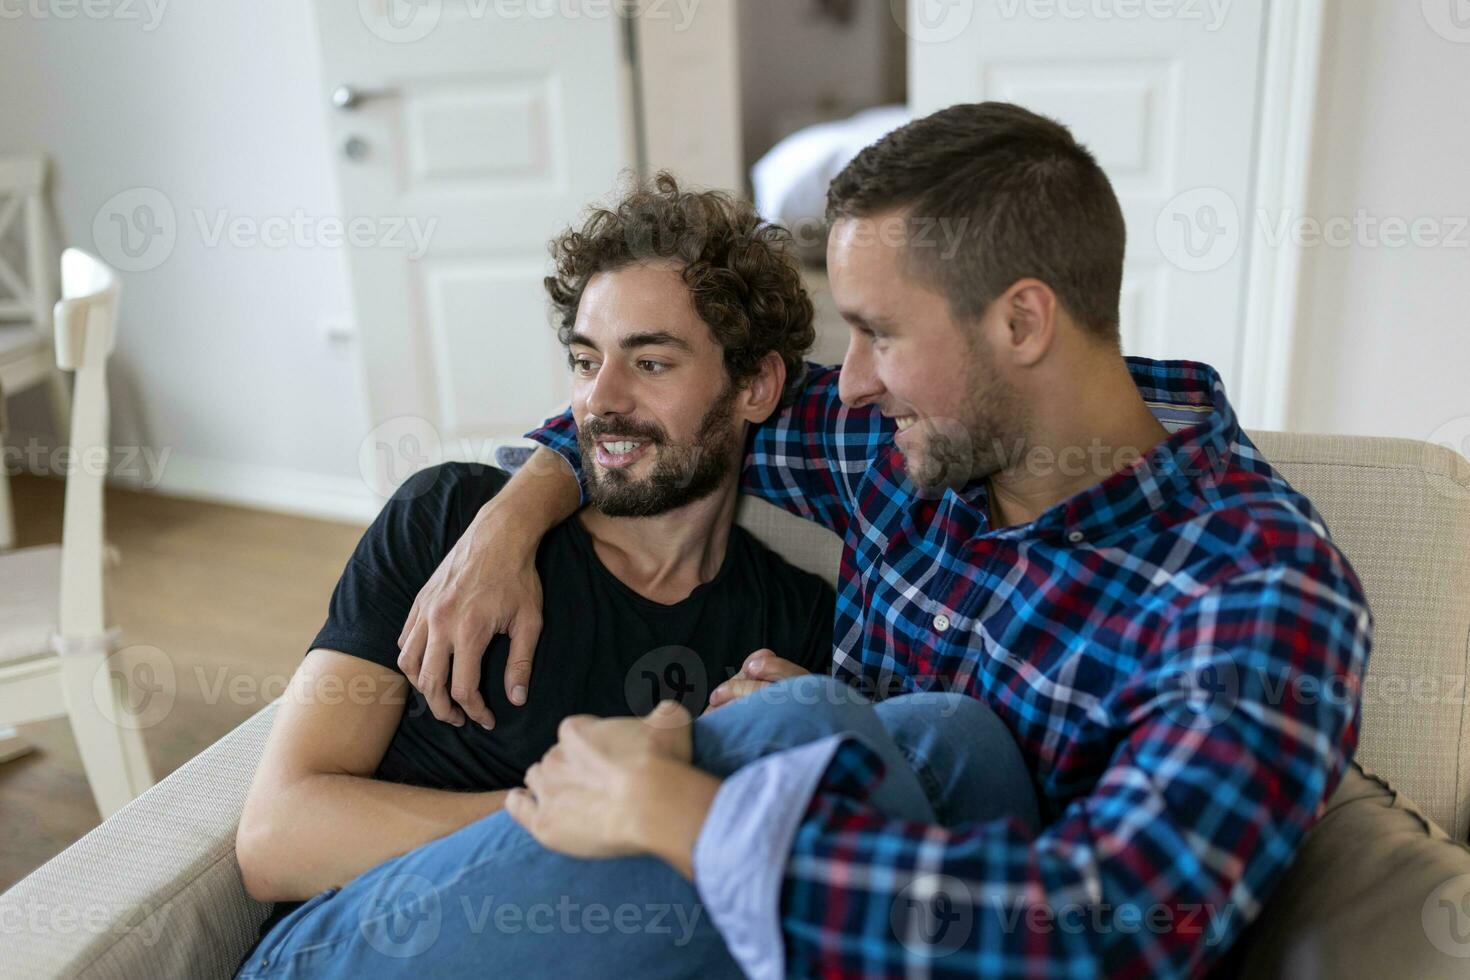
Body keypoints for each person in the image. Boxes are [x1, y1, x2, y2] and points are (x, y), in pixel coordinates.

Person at [270, 103, 1373, 978]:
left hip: (884, 934)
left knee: (933, 731)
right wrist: (511, 507)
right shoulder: (899, 438)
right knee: (844, 717)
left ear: (1023, 321)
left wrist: (693, 813)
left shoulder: (1255, 591)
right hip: (385, 940)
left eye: (881, 332)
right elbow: (639, 425)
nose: (846, 382)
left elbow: (1110, 930)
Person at [232, 176, 850, 967]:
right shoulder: (453, 522)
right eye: (586, 360)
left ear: (755, 386)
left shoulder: (790, 620)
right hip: (351, 943)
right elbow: (275, 836)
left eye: (651, 363)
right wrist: (600, 810)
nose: (601, 400)